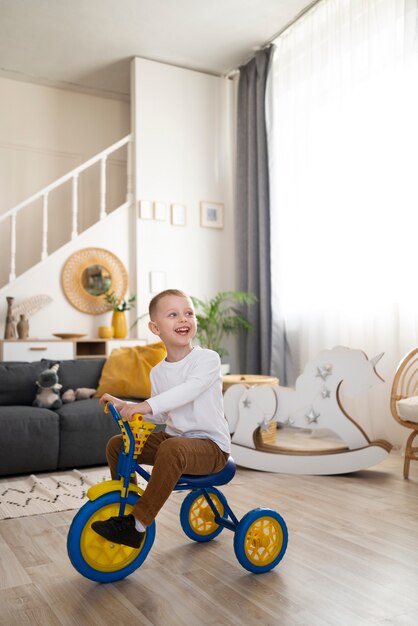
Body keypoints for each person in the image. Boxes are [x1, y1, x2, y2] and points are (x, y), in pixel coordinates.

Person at [92, 288, 231, 548]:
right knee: (117, 445)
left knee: (171, 447)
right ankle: (126, 504)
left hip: (211, 447)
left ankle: (138, 524)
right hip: (175, 441)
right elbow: (162, 413)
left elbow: (189, 390)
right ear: (156, 328)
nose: (183, 319)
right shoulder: (158, 372)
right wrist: (128, 405)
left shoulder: (207, 360)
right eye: (173, 314)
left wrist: (145, 405)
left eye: (188, 313)